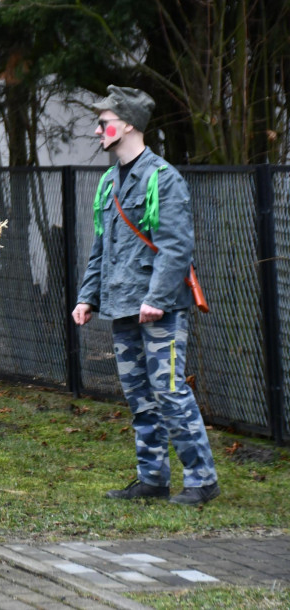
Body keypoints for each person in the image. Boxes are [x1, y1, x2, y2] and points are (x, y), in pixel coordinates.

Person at [72, 85, 220, 506]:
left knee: (169, 391)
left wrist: (156, 298)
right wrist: (88, 297)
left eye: (104, 122)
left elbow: (176, 246)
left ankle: (202, 479)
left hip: (160, 310)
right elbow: (102, 248)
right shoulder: (109, 182)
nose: (98, 129)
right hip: (122, 305)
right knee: (139, 398)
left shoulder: (162, 178)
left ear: (127, 125)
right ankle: (152, 478)